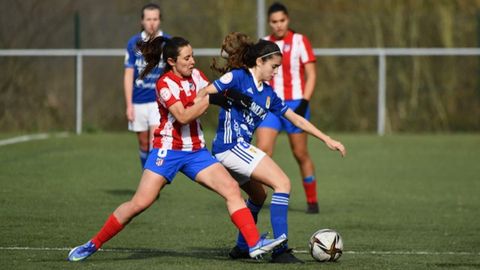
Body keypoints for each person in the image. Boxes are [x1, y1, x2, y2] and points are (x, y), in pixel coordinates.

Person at [67, 36, 287, 262]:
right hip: (168, 151)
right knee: (139, 204)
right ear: (172, 61)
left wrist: (236, 97)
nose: (193, 61)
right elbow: (182, 116)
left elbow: (215, 93)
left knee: (232, 188)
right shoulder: (164, 84)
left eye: (192, 56)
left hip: (196, 152)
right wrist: (210, 100)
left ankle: (253, 244)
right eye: (187, 57)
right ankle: (93, 244)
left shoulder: (197, 77)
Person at [199, 33, 346, 263]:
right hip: (229, 147)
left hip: (239, 148)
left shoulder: (268, 94)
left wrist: (326, 138)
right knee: (283, 183)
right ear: (259, 61)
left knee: (259, 195)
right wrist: (229, 96)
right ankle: (280, 251)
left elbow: (295, 119)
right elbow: (204, 93)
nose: (276, 72)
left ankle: (241, 248)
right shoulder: (237, 77)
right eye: (274, 66)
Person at [256, 2, 320, 213]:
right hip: (270, 105)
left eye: (282, 21)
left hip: (296, 104)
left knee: (300, 153)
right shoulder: (264, 43)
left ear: (288, 20)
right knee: (263, 151)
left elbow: (311, 75)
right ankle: (256, 198)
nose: (278, 25)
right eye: (274, 22)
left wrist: (304, 102)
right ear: (269, 23)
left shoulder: (301, 41)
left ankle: (312, 200)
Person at [124, 3, 170, 169]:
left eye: (155, 19)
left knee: (154, 142)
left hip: (159, 101)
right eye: (148, 19)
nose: (152, 23)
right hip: (138, 101)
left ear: (160, 20)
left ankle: (152, 182)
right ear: (142, 21)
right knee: (143, 143)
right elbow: (129, 74)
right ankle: (147, 176)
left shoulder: (167, 42)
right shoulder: (133, 43)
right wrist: (129, 105)